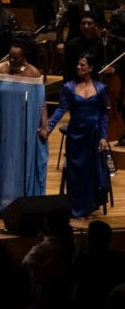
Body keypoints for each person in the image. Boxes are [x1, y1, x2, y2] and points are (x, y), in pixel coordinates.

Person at [0, 37, 49, 219]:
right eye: (10, 56)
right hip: (3, 125)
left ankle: (20, 203)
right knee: (2, 161)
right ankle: (0, 203)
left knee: (21, 162)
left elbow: (41, 103)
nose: (11, 61)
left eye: (16, 58)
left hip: (24, 126)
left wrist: (44, 124)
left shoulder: (33, 74)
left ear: (24, 58)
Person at [47, 53, 111, 218]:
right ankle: (75, 205)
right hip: (76, 132)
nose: (78, 67)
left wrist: (104, 137)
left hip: (94, 133)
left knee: (91, 170)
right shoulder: (69, 87)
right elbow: (62, 109)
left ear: (91, 68)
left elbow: (104, 113)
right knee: (75, 169)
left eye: (83, 65)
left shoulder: (101, 88)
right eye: (78, 64)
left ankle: (89, 205)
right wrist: (49, 126)